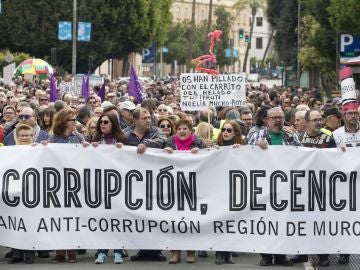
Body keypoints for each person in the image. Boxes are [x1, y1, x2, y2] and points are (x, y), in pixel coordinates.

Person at [248, 107, 301, 267]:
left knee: (282, 222)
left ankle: (280, 256)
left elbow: (301, 153)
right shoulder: (257, 135)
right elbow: (245, 156)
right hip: (264, 186)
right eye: (274, 117)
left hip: (285, 185)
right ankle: (266, 255)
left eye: (281, 117)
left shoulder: (291, 135)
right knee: (265, 221)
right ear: (266, 120)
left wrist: (292, 139)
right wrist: (256, 146)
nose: (278, 120)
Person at [291, 109, 336, 267]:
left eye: (320, 119)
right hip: (302, 187)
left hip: (322, 188)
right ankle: (302, 253)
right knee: (302, 221)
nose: (319, 122)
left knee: (320, 222)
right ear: (307, 122)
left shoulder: (329, 138)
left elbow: (334, 161)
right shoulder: (298, 139)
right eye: (315, 120)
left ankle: (323, 255)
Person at [124, 107, 166, 261]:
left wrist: (147, 144)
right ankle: (143, 248)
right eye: (144, 118)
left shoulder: (155, 131)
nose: (149, 120)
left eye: (149, 117)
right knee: (139, 217)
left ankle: (156, 250)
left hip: (154, 181)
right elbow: (117, 147)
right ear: (135, 121)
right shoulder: (127, 134)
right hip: (133, 182)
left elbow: (162, 141)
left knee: (154, 215)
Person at [164, 119, 206, 264]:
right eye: (179, 129)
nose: (182, 131)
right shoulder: (170, 141)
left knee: (190, 220)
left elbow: (207, 155)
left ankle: (190, 251)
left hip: (193, 188)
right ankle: (175, 252)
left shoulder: (198, 142)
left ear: (190, 131)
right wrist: (166, 151)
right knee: (175, 220)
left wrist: (199, 151)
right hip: (174, 187)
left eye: (185, 129)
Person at [48, 107, 84, 263]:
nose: (75, 122)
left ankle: (72, 252)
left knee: (73, 218)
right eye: (72, 120)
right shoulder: (52, 139)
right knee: (59, 217)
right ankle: (60, 252)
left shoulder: (79, 138)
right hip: (58, 184)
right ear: (64, 122)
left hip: (75, 184)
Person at [93, 114, 127, 264]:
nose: (102, 124)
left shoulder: (122, 140)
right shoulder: (95, 140)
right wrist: (88, 148)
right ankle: (102, 251)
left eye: (106, 122)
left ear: (113, 123)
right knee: (103, 220)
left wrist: (124, 150)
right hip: (100, 186)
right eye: (100, 122)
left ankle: (118, 251)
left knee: (117, 220)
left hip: (118, 186)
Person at [213, 120, 246, 265]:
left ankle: (228, 253)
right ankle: (219, 253)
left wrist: (241, 151)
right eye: (224, 130)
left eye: (229, 130)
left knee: (231, 222)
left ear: (235, 133)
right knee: (220, 221)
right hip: (219, 189)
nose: (225, 132)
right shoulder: (216, 146)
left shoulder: (241, 147)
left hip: (234, 190)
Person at [7, 124, 36, 264]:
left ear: (32, 136)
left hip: (32, 194)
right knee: (16, 223)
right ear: (17, 137)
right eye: (22, 135)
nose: (25, 138)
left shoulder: (37, 150)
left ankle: (29, 253)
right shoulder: (10, 152)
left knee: (29, 223)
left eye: (27, 135)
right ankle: (17, 253)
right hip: (15, 193)